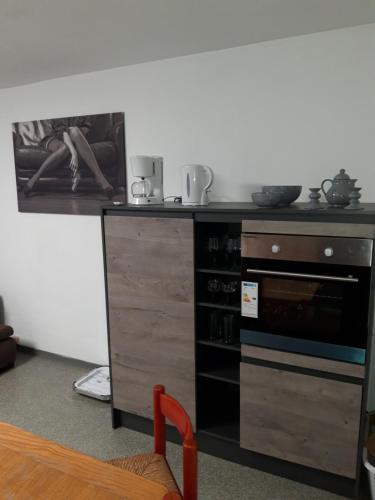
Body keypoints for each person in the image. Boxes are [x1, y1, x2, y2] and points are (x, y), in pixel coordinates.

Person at [14, 117, 114, 199]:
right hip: (55, 138)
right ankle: (36, 177)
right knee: (65, 148)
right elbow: (63, 133)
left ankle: (99, 177)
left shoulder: (85, 115)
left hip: (76, 139)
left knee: (75, 131)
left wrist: (74, 139)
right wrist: (74, 154)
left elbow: (83, 131)